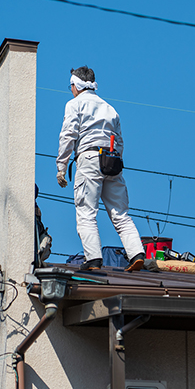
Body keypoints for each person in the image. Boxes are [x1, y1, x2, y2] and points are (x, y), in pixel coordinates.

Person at [56, 66, 145, 272]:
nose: (71, 90)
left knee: (86, 213)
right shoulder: (110, 108)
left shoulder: (74, 104)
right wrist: (116, 162)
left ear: (76, 85)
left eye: (71, 86)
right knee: (121, 213)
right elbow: (120, 141)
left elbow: (68, 135)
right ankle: (137, 254)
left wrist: (61, 166)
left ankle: (94, 259)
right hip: (112, 160)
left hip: (88, 158)